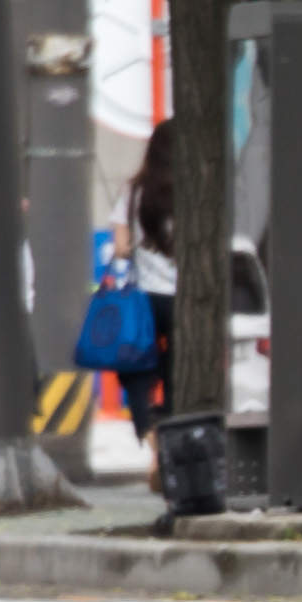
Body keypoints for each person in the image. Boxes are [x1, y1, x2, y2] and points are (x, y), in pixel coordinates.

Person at [109, 121, 177, 484]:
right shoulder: (194, 192)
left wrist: (137, 248)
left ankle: (155, 448)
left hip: (144, 303)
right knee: (178, 374)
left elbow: (120, 248)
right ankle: (177, 443)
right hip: (184, 303)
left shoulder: (134, 191)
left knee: (137, 373)